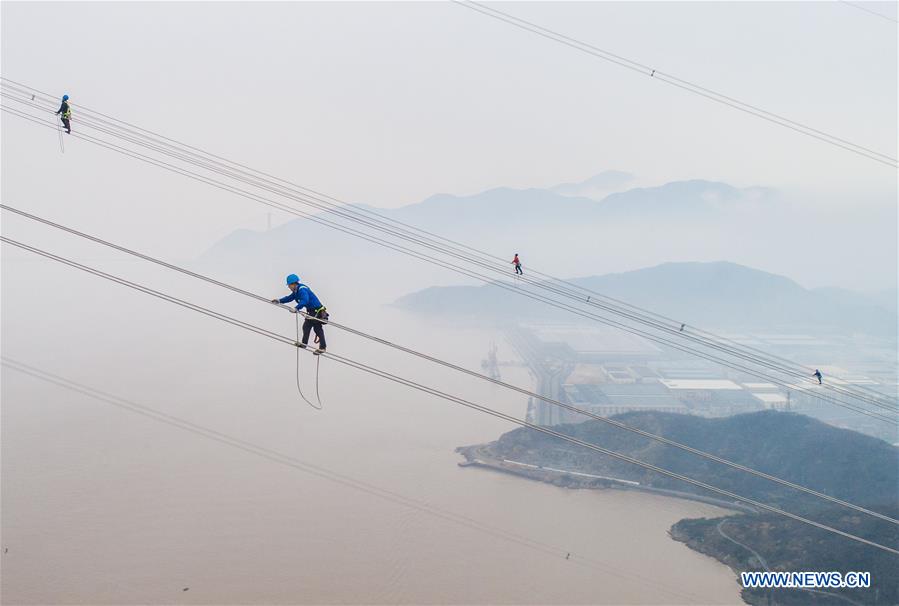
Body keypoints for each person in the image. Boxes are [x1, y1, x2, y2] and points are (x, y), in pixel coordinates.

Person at [272, 274, 328, 354]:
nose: (289, 287)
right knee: (315, 328)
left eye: (289, 285)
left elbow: (305, 300)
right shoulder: (296, 291)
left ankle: (307, 345)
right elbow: (289, 298)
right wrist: (279, 300)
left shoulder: (302, 290)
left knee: (309, 327)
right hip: (313, 311)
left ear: (293, 284)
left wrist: (296, 308)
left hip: (316, 311)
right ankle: (321, 347)